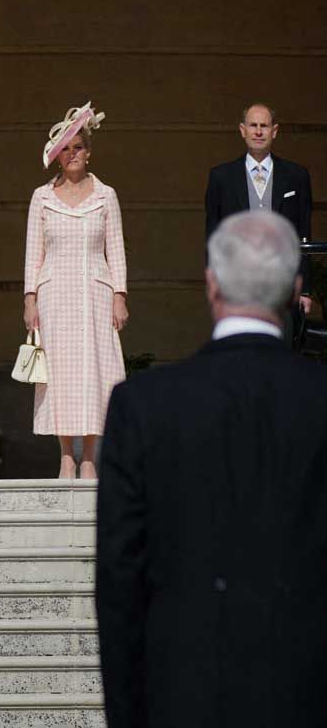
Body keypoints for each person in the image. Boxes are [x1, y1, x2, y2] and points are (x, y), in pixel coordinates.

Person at [97, 210, 327, 727]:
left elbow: (119, 586)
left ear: (211, 284)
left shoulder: (143, 406)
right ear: (295, 290)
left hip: (182, 696)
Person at [22, 102, 128, 479]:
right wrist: (30, 299)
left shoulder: (106, 195)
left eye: (78, 147)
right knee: (61, 375)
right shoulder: (42, 197)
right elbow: (34, 251)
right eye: (66, 149)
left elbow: (115, 247)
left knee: (95, 372)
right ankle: (67, 455)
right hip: (55, 296)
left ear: (88, 152)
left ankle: (90, 458)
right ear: (58, 156)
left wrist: (120, 295)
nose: (73, 154)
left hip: (96, 296)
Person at [204, 103, 313, 316]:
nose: (259, 131)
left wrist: (305, 289)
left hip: (284, 284)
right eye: (253, 125)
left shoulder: (296, 176)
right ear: (242, 130)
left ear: (275, 131)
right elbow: (213, 236)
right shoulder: (221, 177)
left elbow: (304, 233)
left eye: (264, 125)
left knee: (281, 347)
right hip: (235, 285)